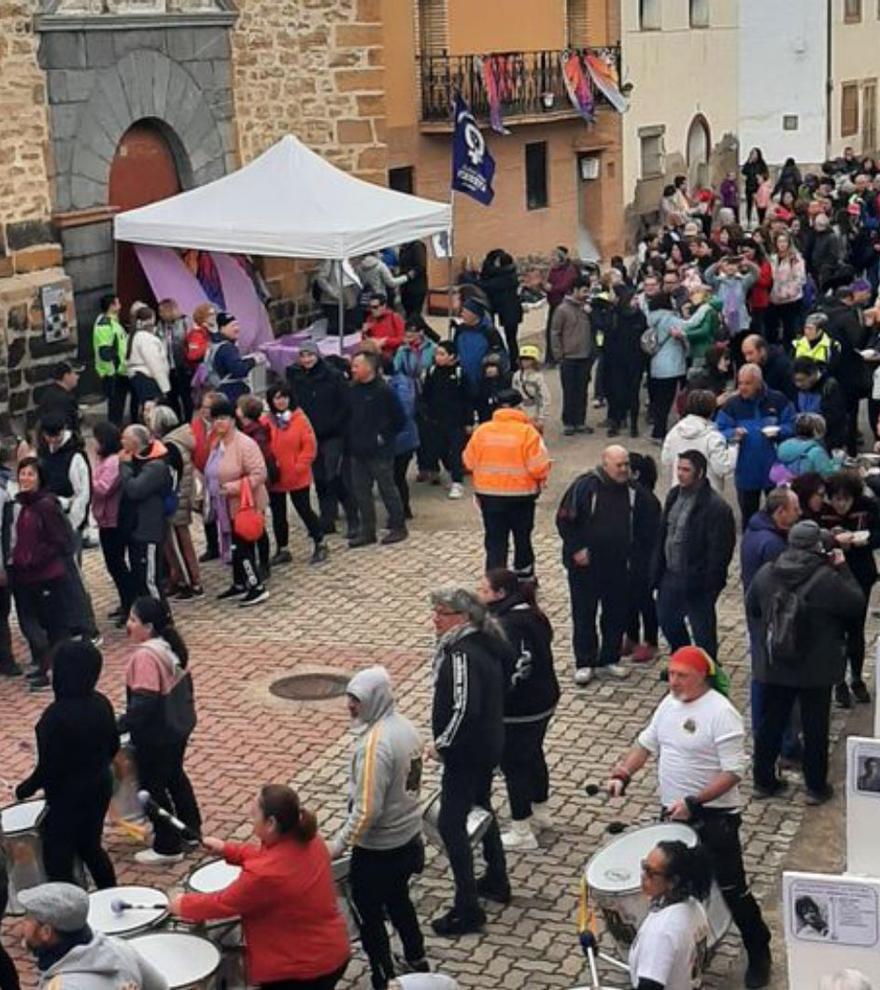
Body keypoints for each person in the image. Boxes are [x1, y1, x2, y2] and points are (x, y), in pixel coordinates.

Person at [606, 646, 773, 990]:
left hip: (714, 820)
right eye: (671, 674)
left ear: (703, 677)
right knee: (674, 889)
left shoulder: (721, 713)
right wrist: (622, 773)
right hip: (674, 818)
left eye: (682, 675)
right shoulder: (668, 705)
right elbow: (645, 745)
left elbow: (733, 772)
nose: (674, 681)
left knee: (731, 889)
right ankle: (675, 957)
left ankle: (759, 950)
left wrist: (695, 802)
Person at [170, 784, 350, 989]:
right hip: (331, 953)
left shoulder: (264, 876)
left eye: (254, 815)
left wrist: (183, 904)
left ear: (271, 823)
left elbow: (223, 903)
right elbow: (268, 858)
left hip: (300, 971)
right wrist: (227, 849)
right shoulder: (311, 840)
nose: (251, 819)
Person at [747, 520, 865, 804]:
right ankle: (815, 787)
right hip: (816, 667)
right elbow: (856, 604)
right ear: (818, 547)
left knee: (771, 723)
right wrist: (844, 568)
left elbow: (753, 607)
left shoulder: (768, 573)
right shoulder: (827, 579)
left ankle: (763, 781)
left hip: (777, 663)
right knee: (815, 728)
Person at [328, 667, 427, 989]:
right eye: (350, 697)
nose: (350, 706)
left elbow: (367, 809)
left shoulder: (374, 746)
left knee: (369, 915)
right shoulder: (407, 729)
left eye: (357, 699)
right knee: (399, 899)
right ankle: (416, 957)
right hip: (409, 838)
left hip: (379, 850)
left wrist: (339, 844)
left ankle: (383, 976)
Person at [428, 587, 511, 935]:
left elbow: (464, 708)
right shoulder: (485, 644)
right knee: (482, 806)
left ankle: (467, 906)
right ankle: (496, 876)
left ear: (462, 618)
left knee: (451, 824)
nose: (435, 619)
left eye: (442, 613)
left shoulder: (461, 654)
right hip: (487, 744)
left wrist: (442, 745)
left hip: (467, 753)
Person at [16, 641, 119, 888]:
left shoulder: (53, 719)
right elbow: (113, 746)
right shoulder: (101, 703)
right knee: (91, 847)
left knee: (58, 860)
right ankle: (111, 894)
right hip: (100, 786)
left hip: (67, 798)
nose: (49, 673)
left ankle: (71, 915)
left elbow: (48, 770)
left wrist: (24, 789)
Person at [556, 445, 655, 683]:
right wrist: (577, 549)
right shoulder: (585, 487)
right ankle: (585, 661)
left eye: (626, 465)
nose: (623, 470)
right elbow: (564, 520)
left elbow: (646, 523)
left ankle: (609, 657)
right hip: (586, 566)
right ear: (605, 464)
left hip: (619, 564)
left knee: (615, 612)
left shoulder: (633, 491)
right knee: (584, 613)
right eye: (619, 465)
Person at [478, 569, 559, 851]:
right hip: (545, 699)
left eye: (484, 590)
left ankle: (522, 828)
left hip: (520, 708)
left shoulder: (507, 625)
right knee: (534, 753)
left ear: (500, 594)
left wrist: (493, 702)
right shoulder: (535, 616)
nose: (480, 595)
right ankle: (541, 810)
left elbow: (513, 669)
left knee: (514, 764)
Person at [119, 596, 201, 865]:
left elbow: (144, 702)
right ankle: (190, 830)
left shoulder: (145, 656)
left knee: (152, 788)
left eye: (133, 620)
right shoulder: (169, 646)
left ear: (149, 626)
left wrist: (120, 725)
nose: (128, 625)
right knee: (175, 776)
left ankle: (167, 845)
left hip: (157, 735)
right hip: (178, 726)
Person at [654, 451, 736, 660]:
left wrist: (710, 583)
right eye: (678, 469)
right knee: (667, 620)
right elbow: (664, 534)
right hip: (671, 574)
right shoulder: (674, 495)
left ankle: (708, 670)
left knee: (703, 631)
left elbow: (720, 551)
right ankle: (683, 658)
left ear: (699, 473)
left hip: (698, 579)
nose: (680, 474)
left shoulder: (716, 508)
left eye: (686, 470)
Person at [463, 388, 550, 579]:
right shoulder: (529, 433)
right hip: (522, 496)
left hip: (489, 496)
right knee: (522, 538)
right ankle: (524, 578)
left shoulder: (482, 432)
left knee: (495, 541)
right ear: (519, 407)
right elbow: (539, 466)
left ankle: (496, 582)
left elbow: (468, 461)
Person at [19, 883, 167, 990]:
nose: (22, 924)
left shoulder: (61, 987)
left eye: (28, 919)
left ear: (46, 932)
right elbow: (160, 987)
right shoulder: (120, 947)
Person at [38, 413, 98, 641]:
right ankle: (67, 621)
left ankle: (86, 625)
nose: (52, 441)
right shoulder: (46, 454)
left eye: (55, 435)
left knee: (74, 577)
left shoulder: (75, 457)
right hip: (51, 524)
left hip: (69, 524)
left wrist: (74, 523)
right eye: (48, 436)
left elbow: (82, 494)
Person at [821, 471, 879, 707]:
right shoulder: (822, 512)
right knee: (835, 632)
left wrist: (866, 540)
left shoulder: (869, 507)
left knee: (856, 630)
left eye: (845, 499)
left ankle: (856, 678)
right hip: (831, 578)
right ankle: (838, 682)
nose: (840, 504)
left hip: (860, 575)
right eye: (836, 499)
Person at [206, 396, 270, 606]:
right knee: (234, 546)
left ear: (233, 419)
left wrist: (233, 487)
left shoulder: (245, 444)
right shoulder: (217, 443)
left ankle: (256, 586)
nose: (219, 423)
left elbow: (259, 474)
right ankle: (239, 582)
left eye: (224, 418)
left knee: (243, 548)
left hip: (245, 505)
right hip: (225, 506)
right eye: (215, 419)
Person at [287, 342, 355, 537]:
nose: (307, 360)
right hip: (310, 435)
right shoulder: (296, 376)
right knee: (320, 479)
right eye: (303, 356)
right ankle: (327, 519)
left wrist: (335, 425)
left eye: (310, 355)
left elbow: (345, 405)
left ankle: (352, 516)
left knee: (332, 476)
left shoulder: (332, 376)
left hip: (332, 434)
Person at [716, 364, 795, 527]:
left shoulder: (778, 400)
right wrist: (733, 434)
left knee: (778, 517)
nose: (742, 388)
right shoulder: (732, 405)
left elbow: (792, 425)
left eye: (747, 383)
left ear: (758, 383)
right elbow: (719, 431)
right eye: (740, 383)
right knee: (749, 518)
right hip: (745, 471)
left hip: (776, 470)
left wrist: (779, 431)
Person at [628, 841, 712, 990]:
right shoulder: (694, 907)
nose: (643, 876)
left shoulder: (662, 932)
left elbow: (650, 986)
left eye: (650, 872)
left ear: (673, 882)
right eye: (644, 867)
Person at [346, 350, 408, 547]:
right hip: (357, 449)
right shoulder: (352, 390)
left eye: (357, 365)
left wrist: (383, 436)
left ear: (369, 367)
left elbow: (400, 419)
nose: (353, 369)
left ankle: (398, 526)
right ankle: (367, 530)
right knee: (361, 491)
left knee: (387, 489)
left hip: (379, 451)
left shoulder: (384, 391)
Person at [264, 384, 328, 566]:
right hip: (276, 476)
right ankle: (282, 548)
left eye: (284, 397)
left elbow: (309, 447)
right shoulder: (267, 421)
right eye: (277, 398)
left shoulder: (300, 419)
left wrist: (298, 467)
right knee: (278, 514)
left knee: (304, 509)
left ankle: (320, 542)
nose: (281, 401)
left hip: (297, 476)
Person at [146, 405, 204, 600]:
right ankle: (181, 578)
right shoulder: (179, 439)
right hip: (181, 496)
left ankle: (189, 581)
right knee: (179, 541)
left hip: (175, 499)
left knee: (178, 543)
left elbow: (172, 475)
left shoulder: (170, 445)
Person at [119, 424, 172, 602]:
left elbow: (135, 489)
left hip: (149, 530)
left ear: (135, 441)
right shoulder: (139, 460)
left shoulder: (156, 465)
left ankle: (162, 619)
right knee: (140, 578)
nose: (122, 442)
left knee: (150, 580)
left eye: (124, 438)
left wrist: (124, 467)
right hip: (136, 529)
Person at [91, 421, 133, 623]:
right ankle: (125, 602)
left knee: (117, 564)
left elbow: (103, 488)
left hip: (114, 520)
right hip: (105, 519)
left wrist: (87, 482)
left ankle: (129, 603)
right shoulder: (104, 460)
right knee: (113, 564)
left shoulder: (113, 462)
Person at [420, 340, 472, 500]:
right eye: (437, 354)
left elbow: (468, 399)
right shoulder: (431, 372)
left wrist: (469, 421)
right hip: (436, 420)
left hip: (455, 421)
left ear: (453, 356)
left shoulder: (460, 374)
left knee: (456, 451)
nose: (438, 357)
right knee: (440, 450)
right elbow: (426, 396)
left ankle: (457, 482)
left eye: (442, 354)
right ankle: (449, 472)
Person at [661, 389, 735, 491]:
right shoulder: (713, 437)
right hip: (708, 496)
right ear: (712, 411)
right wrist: (734, 448)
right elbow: (723, 468)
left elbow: (666, 460)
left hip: (679, 493)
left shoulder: (674, 431)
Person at [550, 275, 595, 435]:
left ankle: (580, 421)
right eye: (583, 290)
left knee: (582, 390)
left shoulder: (587, 309)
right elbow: (555, 332)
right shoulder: (562, 309)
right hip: (568, 357)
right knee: (569, 390)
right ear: (574, 290)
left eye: (588, 290)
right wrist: (558, 354)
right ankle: (568, 422)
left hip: (585, 356)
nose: (586, 294)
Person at [603, 286, 646, 438]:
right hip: (616, 362)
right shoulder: (614, 315)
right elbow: (607, 336)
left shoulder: (640, 316)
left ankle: (633, 424)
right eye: (633, 298)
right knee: (616, 393)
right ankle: (616, 421)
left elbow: (644, 338)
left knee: (633, 393)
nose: (636, 301)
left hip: (635, 361)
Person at [645, 293, 688, 442]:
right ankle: (659, 433)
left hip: (656, 363)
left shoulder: (651, 319)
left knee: (658, 401)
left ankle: (657, 430)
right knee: (667, 401)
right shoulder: (672, 319)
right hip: (672, 365)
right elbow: (687, 331)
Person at [198, 312, 262, 404]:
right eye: (232, 326)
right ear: (222, 328)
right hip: (232, 395)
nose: (237, 329)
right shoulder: (227, 348)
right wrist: (254, 360)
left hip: (219, 391)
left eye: (237, 325)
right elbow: (239, 370)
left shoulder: (214, 344)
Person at [791, 357, 848, 453]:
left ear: (813, 374)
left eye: (802, 380)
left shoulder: (829, 387)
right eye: (795, 381)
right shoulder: (798, 388)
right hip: (804, 440)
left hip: (827, 441)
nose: (798, 384)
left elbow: (836, 418)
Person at [126, 306, 170, 421]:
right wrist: (164, 386)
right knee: (151, 410)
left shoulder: (134, 336)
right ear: (151, 319)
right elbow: (155, 363)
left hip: (139, 376)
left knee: (147, 408)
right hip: (147, 377)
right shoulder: (146, 338)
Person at [480, 249, 523, 366]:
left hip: (510, 311)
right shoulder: (506, 273)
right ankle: (510, 361)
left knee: (511, 339)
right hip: (506, 309)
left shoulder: (507, 277)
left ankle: (514, 363)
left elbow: (487, 285)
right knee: (507, 338)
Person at [389, 359, 420, 521]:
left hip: (402, 440)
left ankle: (401, 511)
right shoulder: (398, 383)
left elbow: (405, 410)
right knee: (395, 477)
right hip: (401, 438)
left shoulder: (399, 385)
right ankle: (401, 509)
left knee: (396, 476)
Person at [772, 413, 842, 481]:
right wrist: (838, 461)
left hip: (788, 490)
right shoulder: (816, 452)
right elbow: (828, 476)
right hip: (808, 490)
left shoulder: (783, 446)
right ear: (816, 431)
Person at [92, 294, 129, 426]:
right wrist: (114, 367)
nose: (120, 305)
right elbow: (105, 351)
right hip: (113, 372)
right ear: (112, 306)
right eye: (118, 303)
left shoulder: (112, 321)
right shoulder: (105, 324)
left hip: (119, 370)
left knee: (118, 406)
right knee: (115, 408)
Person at [157, 297, 193, 422]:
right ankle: (177, 420)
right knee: (172, 396)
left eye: (162, 311)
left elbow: (189, 341)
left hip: (183, 365)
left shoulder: (184, 322)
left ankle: (188, 420)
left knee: (186, 395)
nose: (160, 314)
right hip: (168, 367)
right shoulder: (160, 326)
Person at [543, 246, 579, 364]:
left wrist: (552, 288)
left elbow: (565, 285)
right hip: (553, 303)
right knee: (551, 331)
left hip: (563, 304)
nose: (552, 260)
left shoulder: (569, 270)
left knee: (562, 331)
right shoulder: (553, 270)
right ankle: (551, 357)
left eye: (554, 258)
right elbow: (549, 282)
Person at [740, 334, 795, 401]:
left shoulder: (783, 366)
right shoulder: (754, 364)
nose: (747, 359)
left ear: (762, 350)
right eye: (745, 354)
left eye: (750, 353)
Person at [511, 344, 549, 432]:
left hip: (534, 408)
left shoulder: (538, 377)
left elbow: (544, 396)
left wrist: (542, 416)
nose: (525, 362)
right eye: (523, 359)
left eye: (528, 359)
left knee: (534, 432)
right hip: (521, 408)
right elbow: (514, 392)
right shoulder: (517, 375)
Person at [36, 361, 80, 433]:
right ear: (66, 376)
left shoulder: (48, 393)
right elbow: (69, 427)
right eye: (75, 373)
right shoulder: (65, 400)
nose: (77, 377)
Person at [363, 294, 406, 359]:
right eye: (370, 307)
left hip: (392, 356)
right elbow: (365, 340)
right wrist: (364, 332)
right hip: (375, 355)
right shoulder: (370, 319)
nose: (372, 310)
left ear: (383, 306)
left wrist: (385, 341)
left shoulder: (394, 317)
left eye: (375, 307)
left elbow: (403, 338)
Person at [399, 241, 428, 319]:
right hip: (405, 287)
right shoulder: (403, 247)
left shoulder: (417, 246)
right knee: (408, 313)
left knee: (414, 315)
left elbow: (420, 266)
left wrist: (408, 276)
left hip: (416, 287)